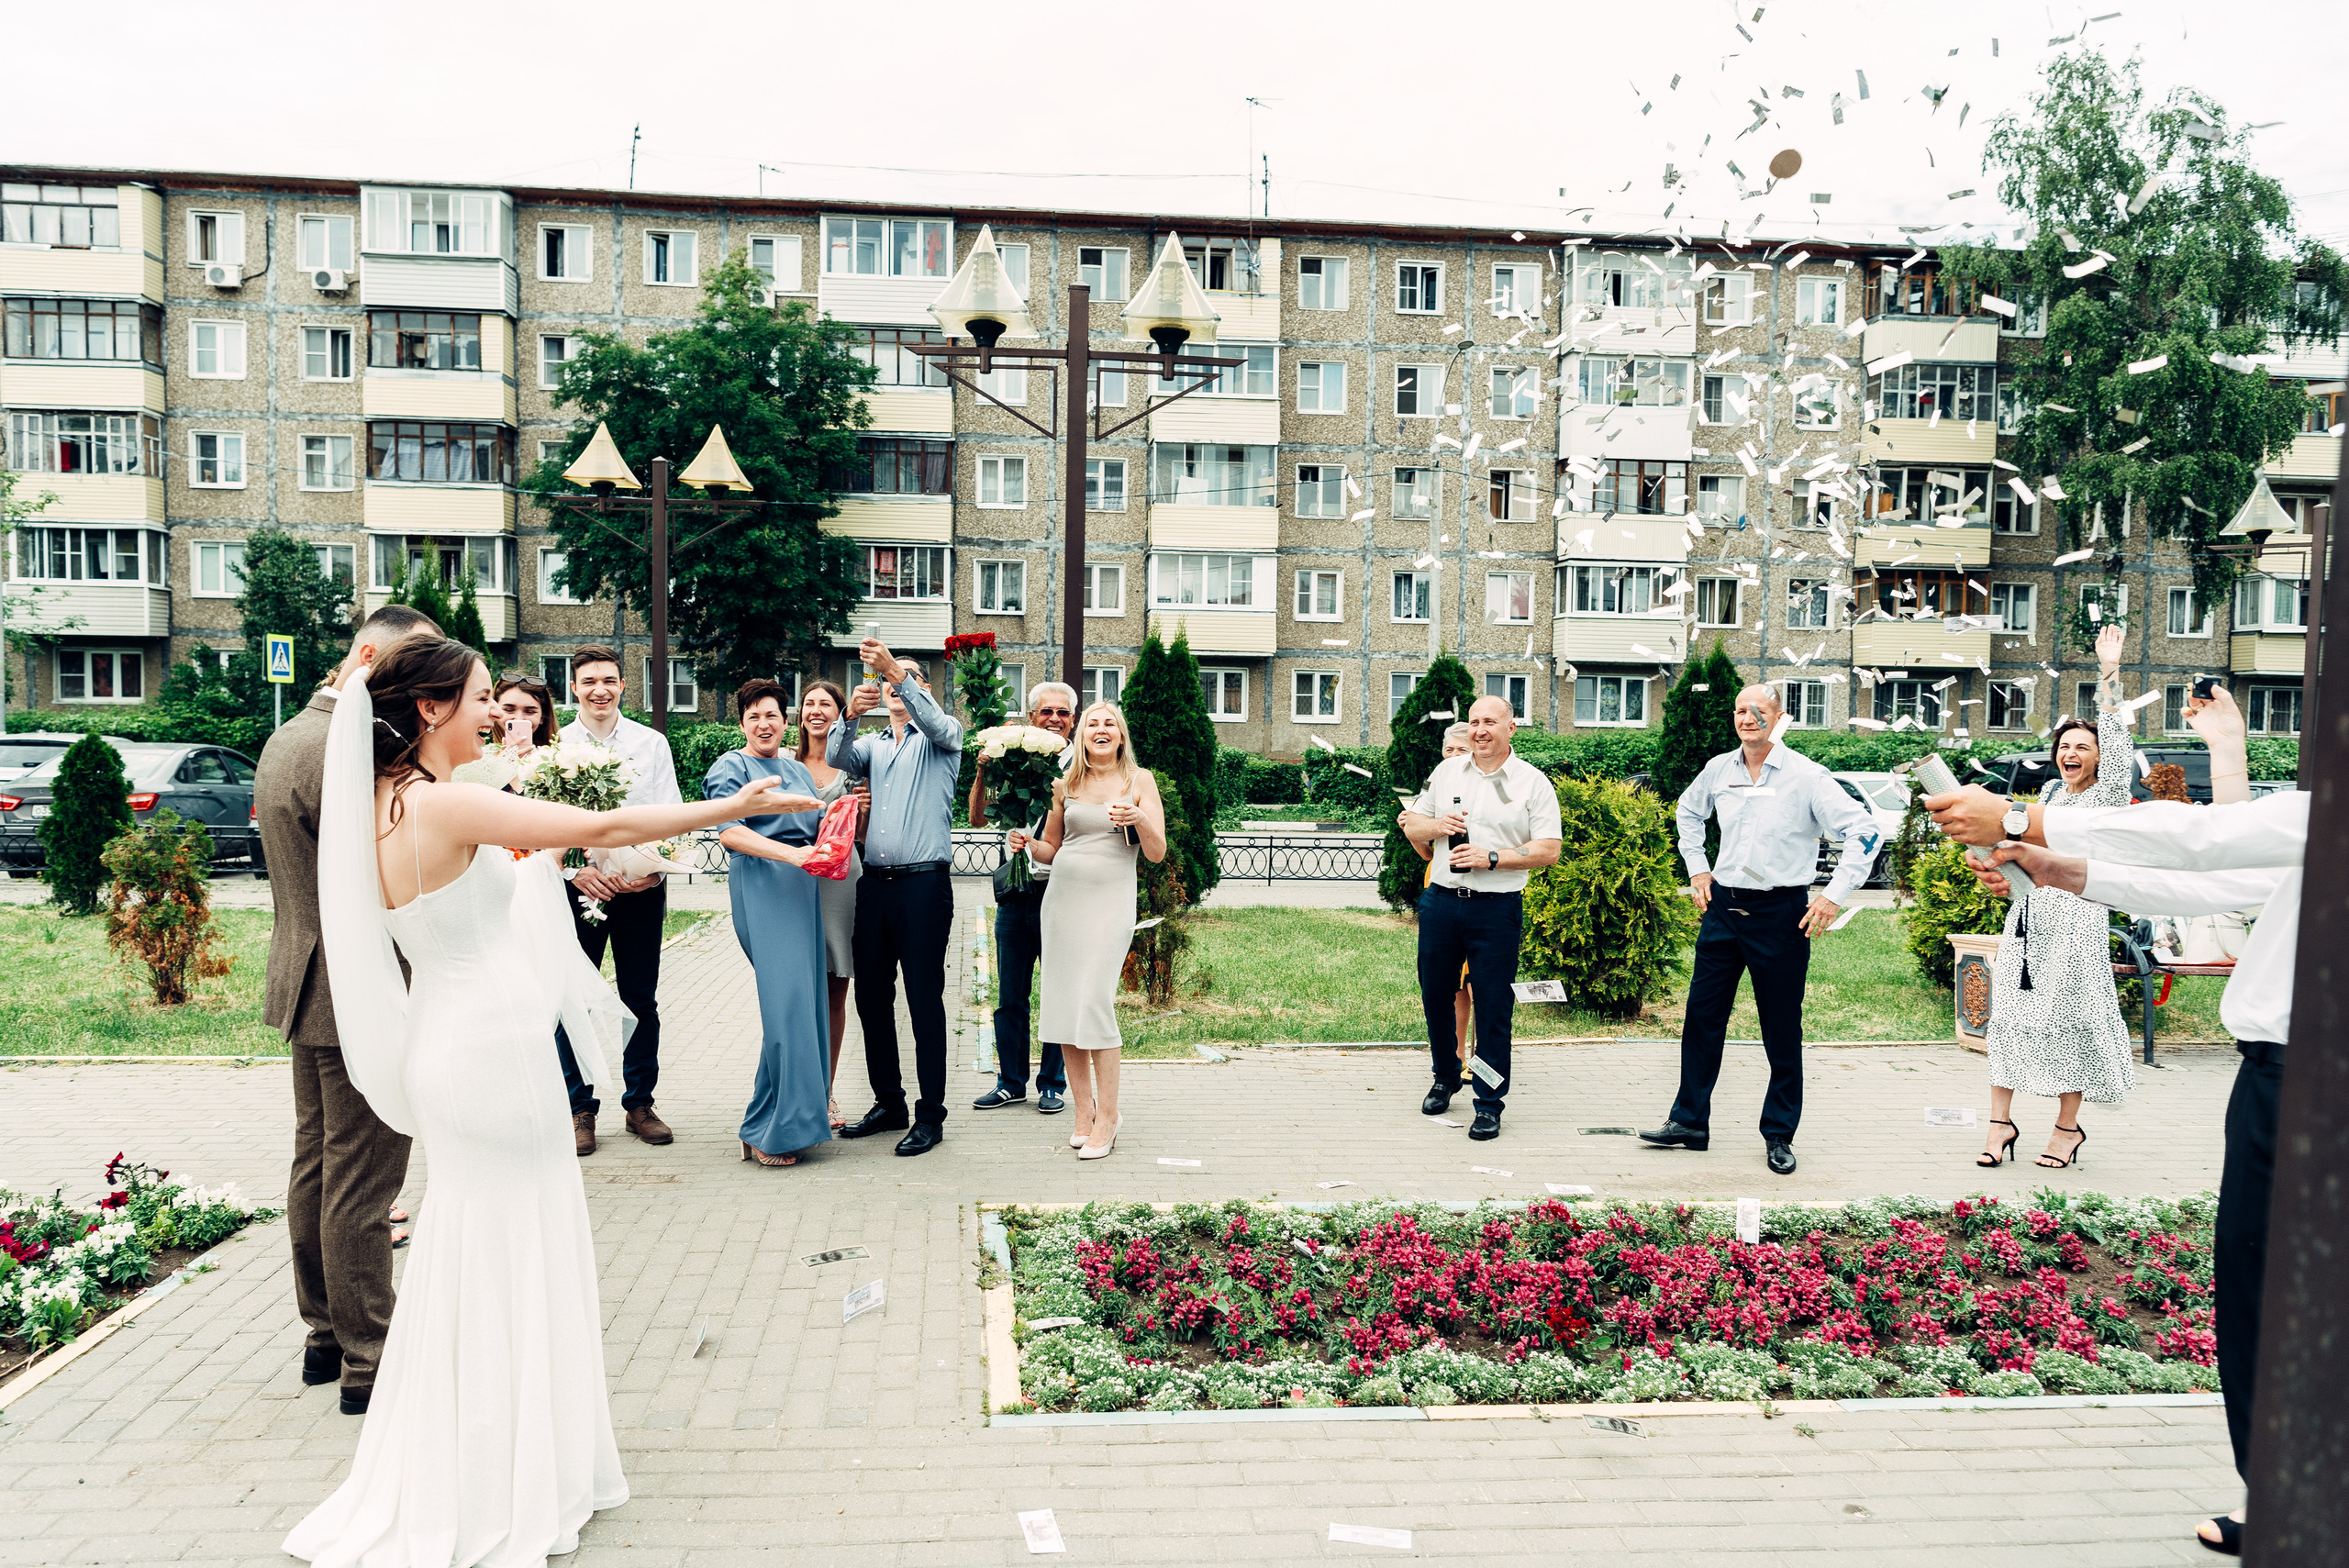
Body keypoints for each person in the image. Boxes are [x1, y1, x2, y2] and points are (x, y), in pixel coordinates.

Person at [284, 634, 806, 1564]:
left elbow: (485, 885)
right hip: (494, 1055)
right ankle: (514, 1474)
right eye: (483, 696)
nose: (496, 711)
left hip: (447, 1045)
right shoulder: (443, 800)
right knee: (518, 1248)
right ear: (432, 708)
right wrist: (734, 801)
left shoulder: (375, 803)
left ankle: (475, 1458)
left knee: (469, 1252)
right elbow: (602, 832)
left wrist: (524, 861)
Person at [1927, 690, 2290, 1559]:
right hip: (2276, 1075)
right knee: (2254, 1293)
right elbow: (2228, 871)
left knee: (2275, 1296)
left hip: (2310, 1082)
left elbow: (2202, 840)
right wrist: (2055, 869)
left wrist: (2023, 819)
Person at [254, 603, 438, 1417]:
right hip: (354, 987)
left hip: (301, 975)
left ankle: (325, 1332)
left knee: (318, 1164)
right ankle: (371, 1355)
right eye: (408, 669)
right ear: (368, 656)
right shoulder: (347, 748)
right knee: (363, 1178)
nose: (416, 689)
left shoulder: (289, 734)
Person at [1640, 684, 1881, 1175]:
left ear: (1779, 717)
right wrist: (1697, 869)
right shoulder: (1719, 769)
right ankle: (1689, 1122)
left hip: (1780, 916)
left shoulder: (1807, 777)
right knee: (1702, 1019)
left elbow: (1865, 831)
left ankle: (1779, 1134)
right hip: (1724, 909)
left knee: (1780, 1027)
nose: (1746, 718)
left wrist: (1834, 895)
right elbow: (1688, 812)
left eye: (1758, 711)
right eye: (1739, 711)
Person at [1976, 625, 2137, 1170]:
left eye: (2082, 747)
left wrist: (2108, 670)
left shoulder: (2109, 795)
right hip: (2028, 922)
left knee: (2070, 1023)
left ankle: (2067, 1130)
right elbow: (2022, 851)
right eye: (2064, 745)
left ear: (2098, 758)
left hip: (2078, 924)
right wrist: (1994, 864)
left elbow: (2114, 735)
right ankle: (2000, 1125)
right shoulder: (2047, 793)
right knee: (2014, 1019)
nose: (2071, 753)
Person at [1396, 696, 1564, 1142]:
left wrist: (1493, 858)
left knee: (1492, 1007)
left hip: (1496, 909)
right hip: (1442, 902)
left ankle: (1489, 1102)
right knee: (1436, 993)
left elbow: (1548, 849)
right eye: (1473, 723)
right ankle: (1445, 1074)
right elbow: (1412, 824)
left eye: (1490, 722)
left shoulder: (1533, 783)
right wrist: (1436, 828)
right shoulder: (1448, 771)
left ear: (1512, 728)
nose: (1480, 730)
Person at [1006, 702, 1166, 1159]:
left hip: (1110, 902)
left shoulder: (1140, 781)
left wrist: (1139, 819)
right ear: (1082, 735)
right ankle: (1083, 1112)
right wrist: (1028, 844)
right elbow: (1053, 850)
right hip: (1062, 901)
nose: (1100, 729)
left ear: (1120, 735)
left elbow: (1156, 852)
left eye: (1108, 723)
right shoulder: (1066, 783)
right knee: (1062, 1006)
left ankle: (1109, 1117)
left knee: (1094, 1002)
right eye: (1092, 723)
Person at [828, 638, 963, 1157]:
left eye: (906, 678)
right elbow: (839, 756)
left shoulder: (943, 737)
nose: (893, 685)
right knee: (871, 998)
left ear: (924, 688)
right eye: (887, 680)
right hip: (875, 885)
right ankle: (890, 1103)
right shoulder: (876, 745)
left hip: (924, 886)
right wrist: (850, 716)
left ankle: (931, 1115)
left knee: (924, 999)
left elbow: (941, 726)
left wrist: (895, 667)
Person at [554, 644, 683, 1155]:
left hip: (639, 891)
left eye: (608, 679)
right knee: (573, 1002)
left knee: (639, 1000)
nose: (599, 690)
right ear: (575, 687)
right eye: (588, 681)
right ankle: (578, 1107)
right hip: (577, 889)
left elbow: (670, 816)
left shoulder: (650, 744)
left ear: (623, 685)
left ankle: (639, 1104)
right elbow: (537, 825)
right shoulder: (556, 744)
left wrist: (650, 873)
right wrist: (574, 870)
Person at [709, 679, 835, 1168]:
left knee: (803, 1009)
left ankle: (768, 1125)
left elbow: (819, 829)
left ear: (787, 721)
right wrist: (792, 855)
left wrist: (843, 818)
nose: (764, 724)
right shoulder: (732, 767)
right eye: (754, 716)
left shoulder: (797, 770)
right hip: (763, 887)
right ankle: (771, 1131)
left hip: (803, 892)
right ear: (742, 723)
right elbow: (732, 834)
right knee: (786, 1009)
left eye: (773, 715)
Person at [969, 681, 1078, 1115]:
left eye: (1063, 713)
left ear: (1073, 718)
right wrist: (982, 769)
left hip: (1062, 891)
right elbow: (977, 819)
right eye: (1046, 712)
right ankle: (1010, 1082)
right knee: (1011, 995)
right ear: (1032, 718)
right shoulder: (1010, 760)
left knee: (1058, 991)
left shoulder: (1081, 766)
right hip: (1016, 894)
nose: (1055, 719)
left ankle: (1052, 1083)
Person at [794, 680, 865, 1129]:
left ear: (841, 715)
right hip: (793, 879)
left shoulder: (853, 767)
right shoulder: (783, 763)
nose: (816, 711)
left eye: (826, 704)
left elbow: (865, 832)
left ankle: (826, 1093)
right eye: (808, 703)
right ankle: (795, 1088)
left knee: (835, 987)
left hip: (840, 880)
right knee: (797, 990)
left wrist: (865, 810)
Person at [1403, 722, 1477, 1071]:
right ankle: (1455, 1056)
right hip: (1441, 891)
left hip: (1483, 895)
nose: (1453, 755)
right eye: (1448, 750)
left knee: (1477, 985)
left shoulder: (1481, 788)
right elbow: (1427, 853)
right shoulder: (1437, 785)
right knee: (1451, 985)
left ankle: (1477, 1056)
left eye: (1460, 749)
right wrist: (1411, 827)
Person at [493, 670, 558, 756]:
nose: (519, 719)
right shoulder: (480, 757)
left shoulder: (561, 756)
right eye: (509, 710)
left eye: (530, 712)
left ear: (542, 717)